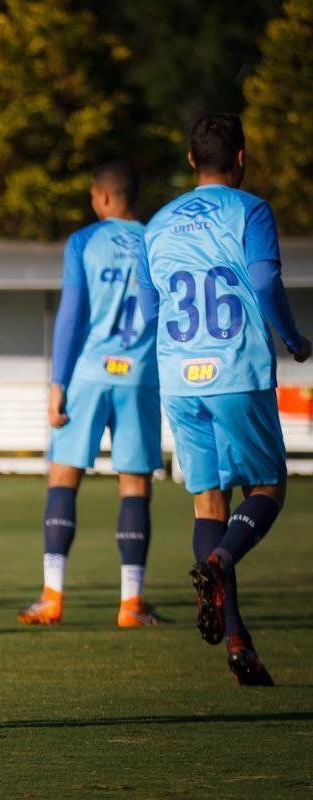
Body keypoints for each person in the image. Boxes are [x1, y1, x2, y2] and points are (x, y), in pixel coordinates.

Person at [138, 113, 310, 685]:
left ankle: (239, 642)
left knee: (207, 503)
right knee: (268, 489)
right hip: (235, 368)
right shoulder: (251, 210)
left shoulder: (157, 223)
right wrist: (292, 337)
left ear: (191, 161)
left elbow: (148, 310)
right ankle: (219, 560)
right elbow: (263, 282)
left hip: (179, 377)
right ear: (241, 157)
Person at [18, 160, 168, 628]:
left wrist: (57, 385)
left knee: (64, 478)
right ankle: (131, 603)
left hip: (87, 373)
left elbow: (70, 315)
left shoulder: (83, 241)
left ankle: (52, 595)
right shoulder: (155, 240)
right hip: (139, 374)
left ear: (102, 197)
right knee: (135, 483)